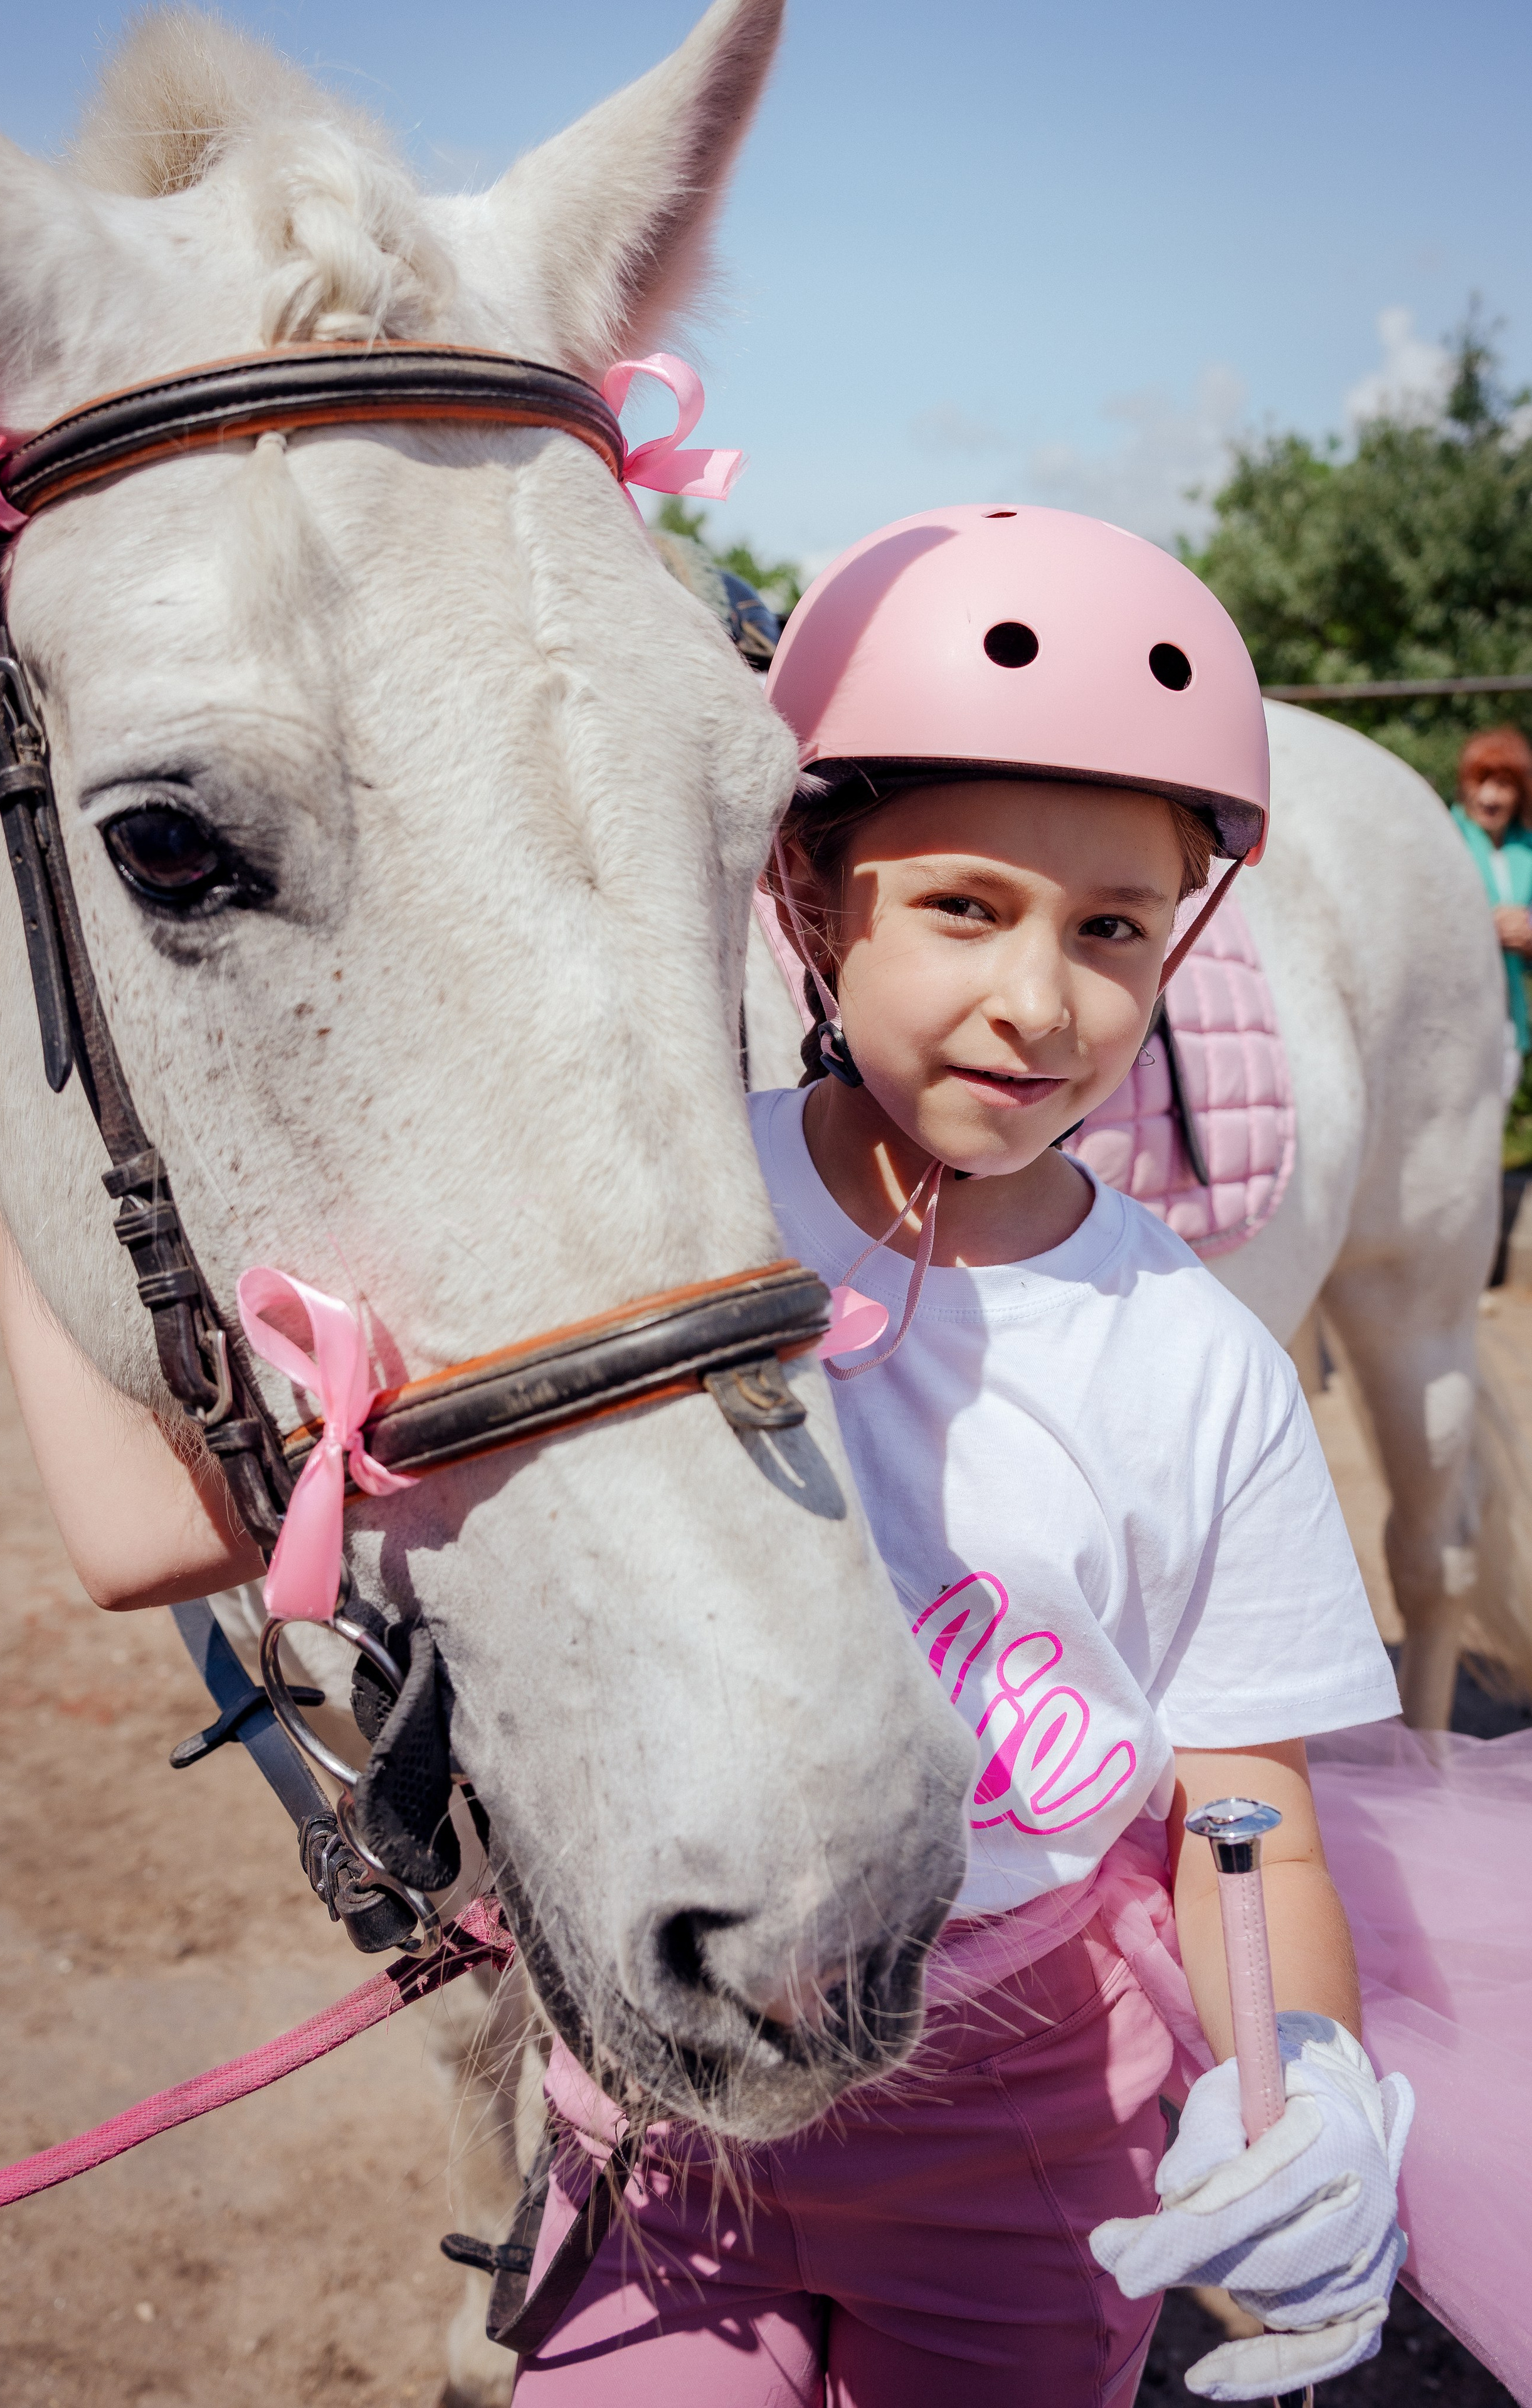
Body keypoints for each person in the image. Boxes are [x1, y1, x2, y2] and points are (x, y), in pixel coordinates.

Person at [511, 508, 1412, 2406]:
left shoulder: (1199, 1367)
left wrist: (1293, 2069)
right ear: (812, 896)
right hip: (662, 2115)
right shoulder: (660, 1214)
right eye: (962, 906)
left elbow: (1249, 1814)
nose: (1041, 998)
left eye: (1110, 928)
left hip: (1022, 2129)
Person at [1452, 724, 1532, 1076]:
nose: (1490, 797)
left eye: (1503, 784)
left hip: (1508, 1019)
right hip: (1453, 1016)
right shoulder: (1443, 837)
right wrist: (1485, 927)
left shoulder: (1527, 851)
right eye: (1481, 782)